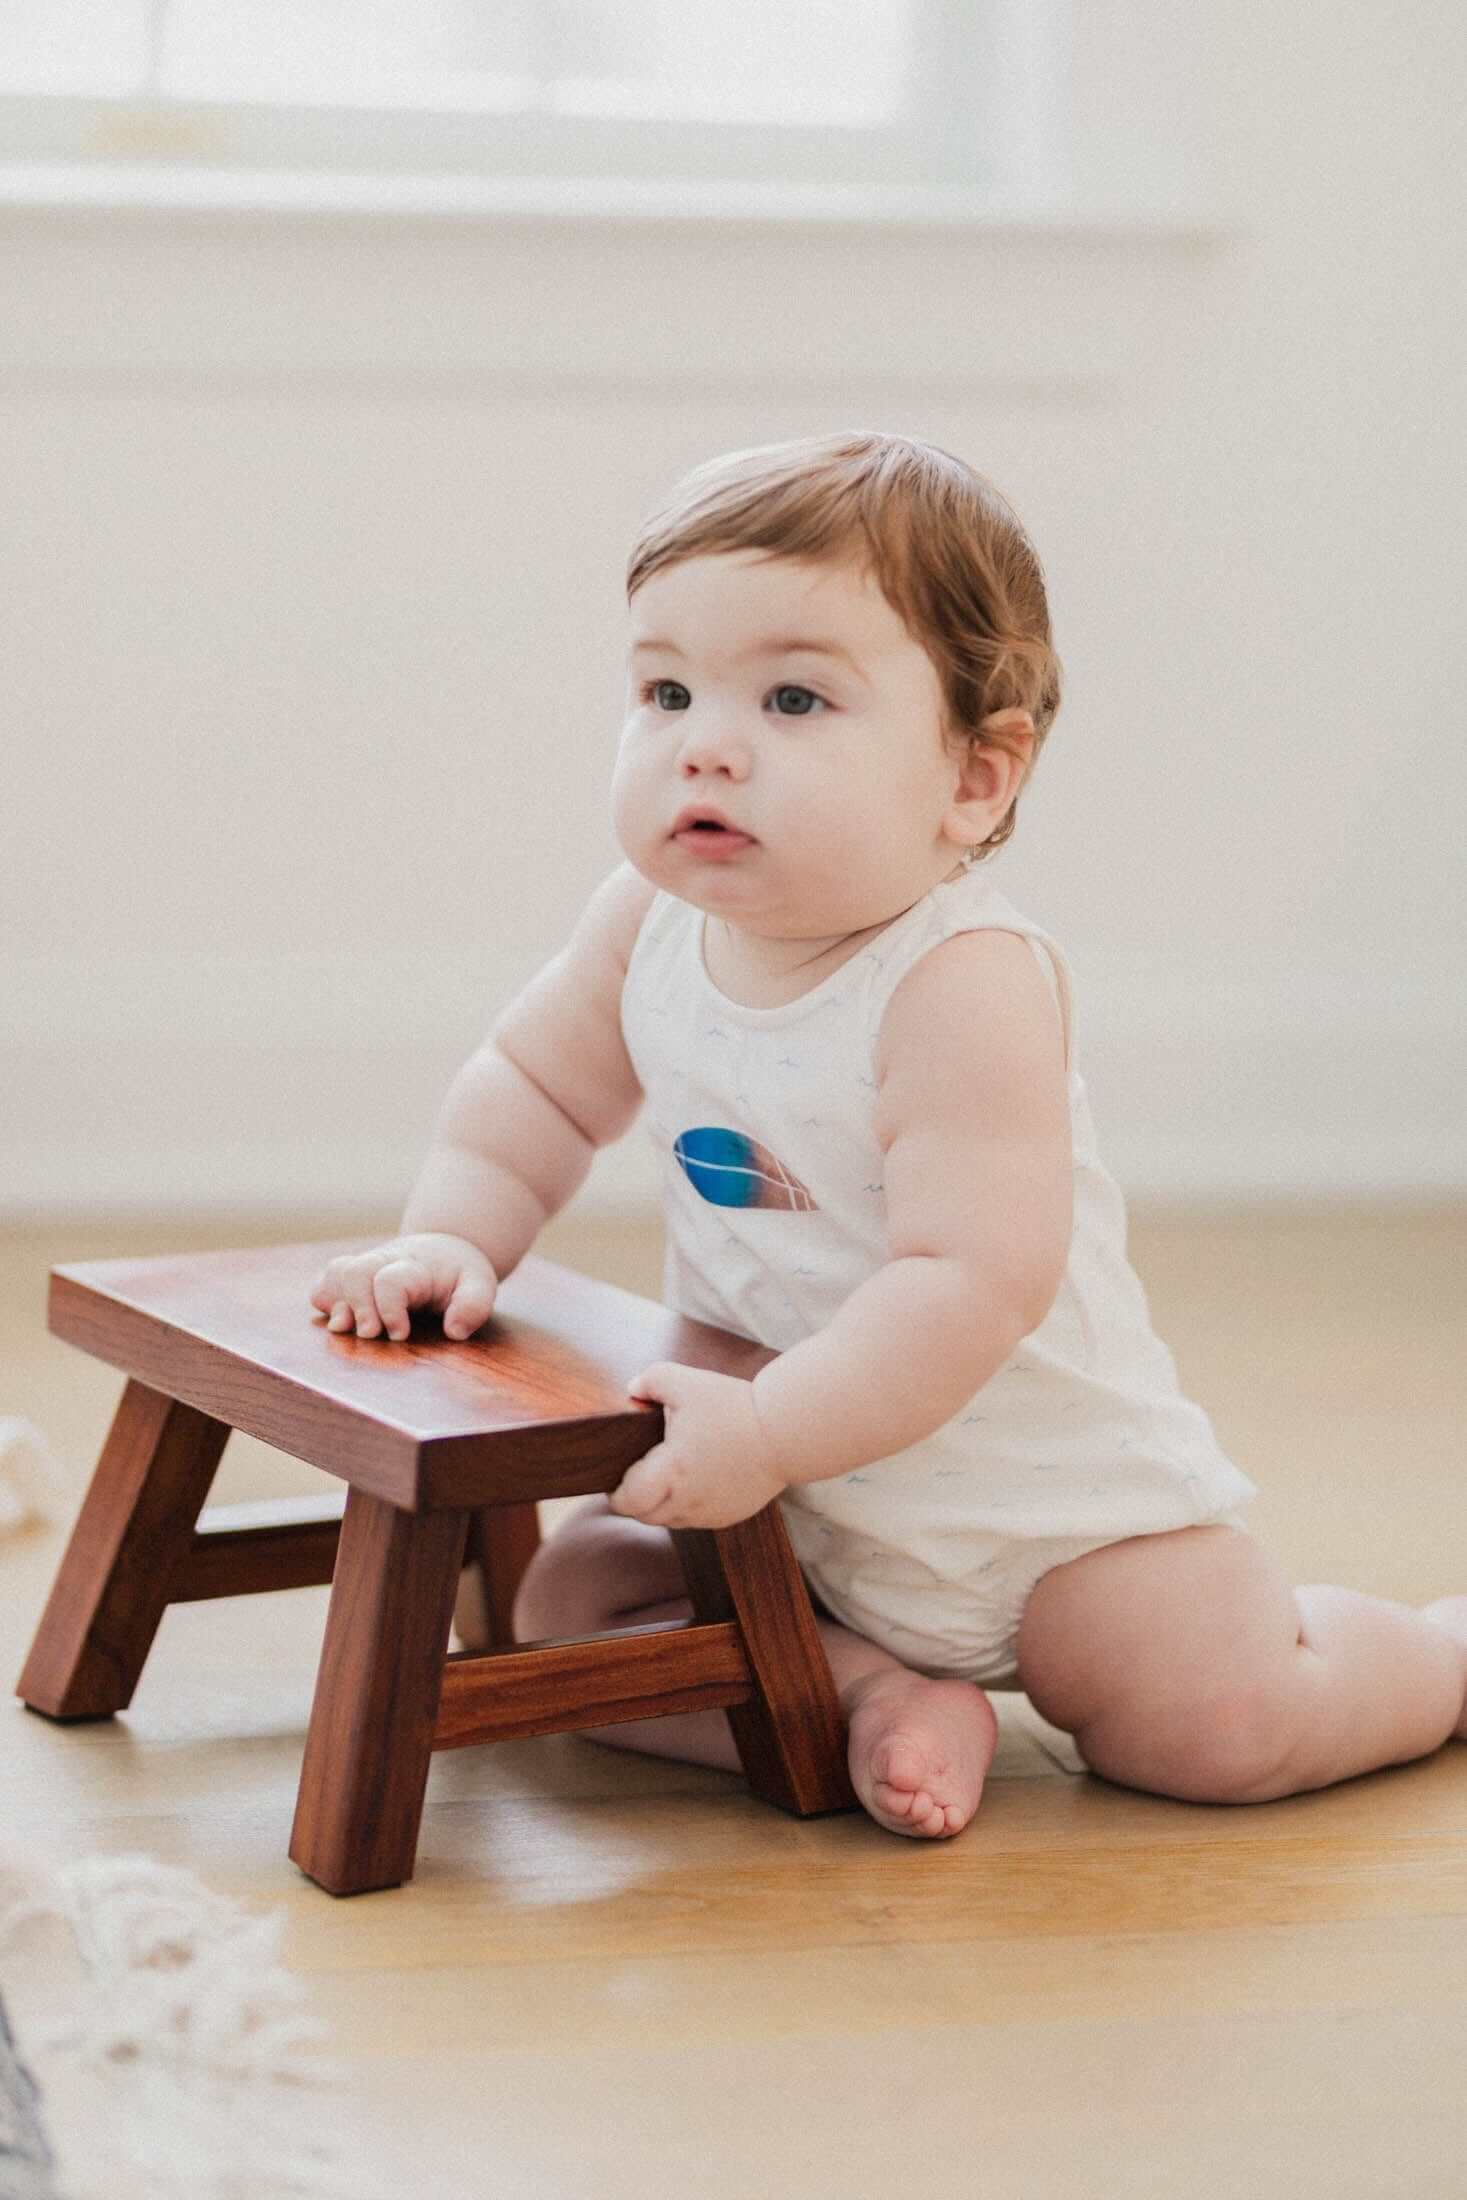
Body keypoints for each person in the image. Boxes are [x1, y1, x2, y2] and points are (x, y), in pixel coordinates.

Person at [309, 431, 1467, 1840]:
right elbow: (534, 1093)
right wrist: (453, 1233)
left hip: (1049, 1520)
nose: (706, 741)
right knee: (569, 1617)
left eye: (793, 697)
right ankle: (864, 1695)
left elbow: (963, 1282)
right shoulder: (648, 925)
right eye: (665, 689)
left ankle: (1438, 1657)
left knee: (1219, 1725)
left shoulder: (960, 981)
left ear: (975, 778)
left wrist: (770, 1432)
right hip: (776, 1509)